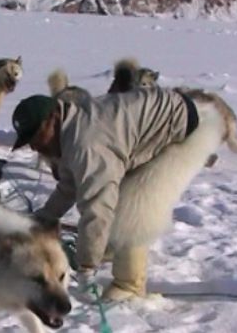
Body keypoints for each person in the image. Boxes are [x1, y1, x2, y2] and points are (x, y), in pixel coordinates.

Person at [11, 87, 199, 301]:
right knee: (109, 197)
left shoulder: (87, 146)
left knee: (132, 204)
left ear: (54, 117)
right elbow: (69, 185)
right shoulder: (70, 130)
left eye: (36, 136)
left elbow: (97, 207)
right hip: (162, 111)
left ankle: (129, 287)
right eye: (29, 142)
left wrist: (86, 267)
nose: (35, 147)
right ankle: (105, 246)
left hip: (180, 125)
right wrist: (45, 217)